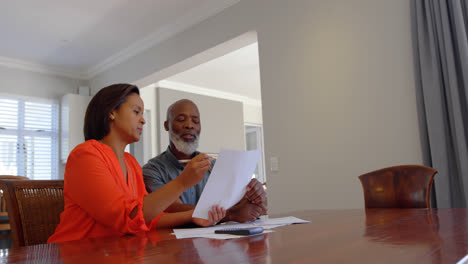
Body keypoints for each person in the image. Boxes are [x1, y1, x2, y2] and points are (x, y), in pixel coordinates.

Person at [48, 84, 225, 243]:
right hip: (77, 253)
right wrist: (182, 182)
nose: (143, 120)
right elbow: (127, 216)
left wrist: (194, 216)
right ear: (112, 112)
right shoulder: (85, 155)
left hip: (118, 252)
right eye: (136, 111)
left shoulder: (131, 163)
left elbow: (147, 217)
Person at [143, 99, 267, 223]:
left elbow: (237, 202)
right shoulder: (152, 170)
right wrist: (231, 213)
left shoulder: (214, 165)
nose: (189, 125)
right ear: (167, 125)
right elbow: (172, 208)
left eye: (195, 121)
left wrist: (253, 194)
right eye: (181, 120)